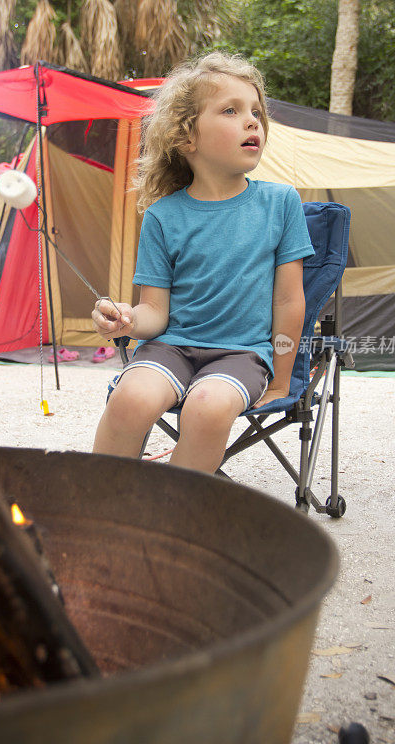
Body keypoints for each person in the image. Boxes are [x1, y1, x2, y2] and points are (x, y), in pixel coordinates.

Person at [91, 51, 314, 474]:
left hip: (242, 355)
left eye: (256, 112)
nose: (253, 121)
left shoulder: (280, 204)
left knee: (209, 406)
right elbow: (154, 313)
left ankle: (178, 520)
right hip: (169, 348)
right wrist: (126, 320)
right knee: (129, 397)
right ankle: (102, 506)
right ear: (185, 137)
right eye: (231, 110)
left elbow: (289, 302)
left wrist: (283, 378)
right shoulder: (162, 215)